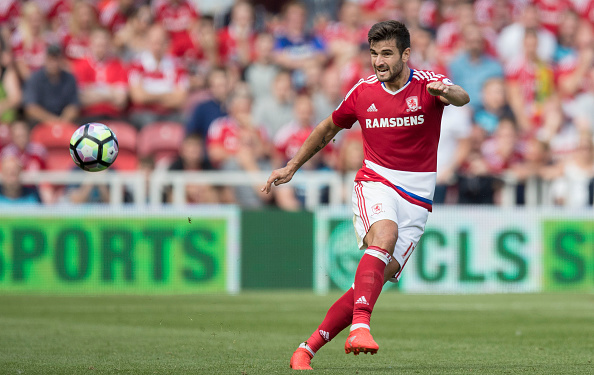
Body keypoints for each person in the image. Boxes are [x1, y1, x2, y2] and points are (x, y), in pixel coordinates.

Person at [262, 20, 469, 370]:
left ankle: (306, 349)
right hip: (376, 180)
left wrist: (446, 94)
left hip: (417, 198)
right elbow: (328, 127)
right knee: (384, 235)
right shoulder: (362, 91)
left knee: (374, 281)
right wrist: (291, 166)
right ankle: (361, 325)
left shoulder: (429, 84)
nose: (379, 61)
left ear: (406, 54)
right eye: (374, 54)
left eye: (387, 53)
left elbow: (462, 97)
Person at [23, 44, 80, 126]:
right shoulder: (35, 78)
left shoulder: (69, 78)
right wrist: (53, 121)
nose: (54, 63)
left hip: (65, 123)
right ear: (45, 60)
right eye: (51, 59)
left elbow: (74, 106)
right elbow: (31, 108)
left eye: (56, 59)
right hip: (40, 123)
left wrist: (63, 121)